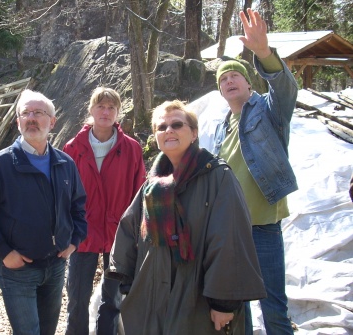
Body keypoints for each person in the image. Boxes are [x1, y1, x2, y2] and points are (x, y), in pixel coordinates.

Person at [106, 100, 266, 334]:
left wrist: (223, 302)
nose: (168, 130)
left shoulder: (218, 177)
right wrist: (127, 284)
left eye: (177, 124)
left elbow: (229, 241)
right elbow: (128, 232)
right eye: (161, 127)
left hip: (198, 299)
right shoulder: (152, 185)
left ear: (193, 133)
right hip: (151, 298)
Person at [0, 89, 87, 335]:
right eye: (25, 113)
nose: (31, 118)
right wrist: (4, 252)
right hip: (18, 270)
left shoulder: (65, 164)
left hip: (56, 265)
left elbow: (78, 207)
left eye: (38, 112)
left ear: (52, 121)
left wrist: (74, 240)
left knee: (47, 331)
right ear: (18, 122)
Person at [212, 8, 299, 335]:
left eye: (234, 75)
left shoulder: (267, 111)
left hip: (263, 229)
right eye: (223, 79)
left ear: (249, 83)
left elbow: (286, 90)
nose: (229, 80)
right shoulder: (222, 127)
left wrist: (263, 51)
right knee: (238, 309)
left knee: (273, 308)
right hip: (232, 231)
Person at [63, 87, 146, 335]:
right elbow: (65, 194)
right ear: (91, 110)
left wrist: (137, 233)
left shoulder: (131, 148)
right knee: (77, 296)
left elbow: (138, 193)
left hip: (119, 233)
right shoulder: (73, 147)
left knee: (113, 298)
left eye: (112, 107)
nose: (106, 112)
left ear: (118, 113)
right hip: (82, 233)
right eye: (101, 106)